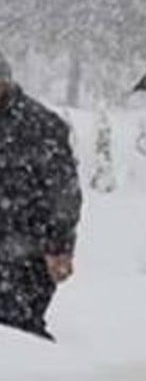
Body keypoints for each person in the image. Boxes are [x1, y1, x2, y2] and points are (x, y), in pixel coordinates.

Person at [0, 53, 82, 341]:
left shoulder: (41, 126)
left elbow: (64, 194)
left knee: (18, 330)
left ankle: (42, 379)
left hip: (28, 253)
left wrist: (59, 248)